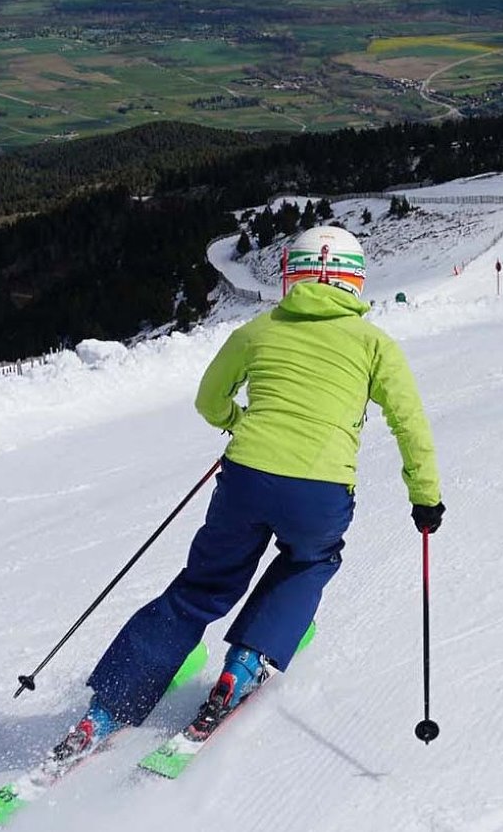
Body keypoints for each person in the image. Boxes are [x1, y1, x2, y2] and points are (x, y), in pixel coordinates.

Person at [50, 225, 445, 762]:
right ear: (355, 281)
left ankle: (109, 709)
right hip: (320, 491)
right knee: (309, 561)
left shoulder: (258, 331)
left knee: (200, 588)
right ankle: (246, 663)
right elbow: (410, 425)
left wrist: (238, 422)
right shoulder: (375, 344)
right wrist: (424, 497)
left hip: (246, 479)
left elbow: (209, 400)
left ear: (290, 276)